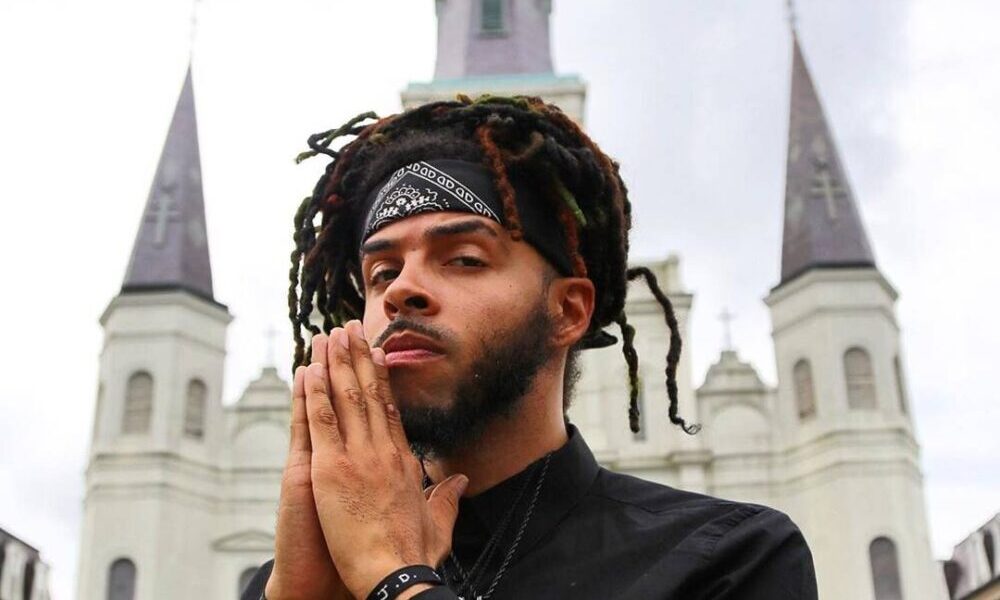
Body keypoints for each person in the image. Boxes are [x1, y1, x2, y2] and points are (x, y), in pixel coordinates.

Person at [241, 96, 818, 600]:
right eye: (382, 272)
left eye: (464, 259)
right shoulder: (292, 584)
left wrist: (394, 578)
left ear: (567, 311)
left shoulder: (729, 557)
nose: (401, 290)